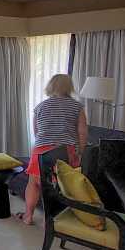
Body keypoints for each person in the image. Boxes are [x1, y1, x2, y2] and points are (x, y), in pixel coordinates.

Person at [16, 74, 87, 225]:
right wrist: (80, 151)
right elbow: (82, 132)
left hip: (42, 149)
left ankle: (28, 216)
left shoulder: (40, 107)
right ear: (69, 88)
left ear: (51, 86)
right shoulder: (77, 106)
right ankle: (65, 218)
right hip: (66, 150)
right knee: (66, 184)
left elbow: (37, 132)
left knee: (34, 183)